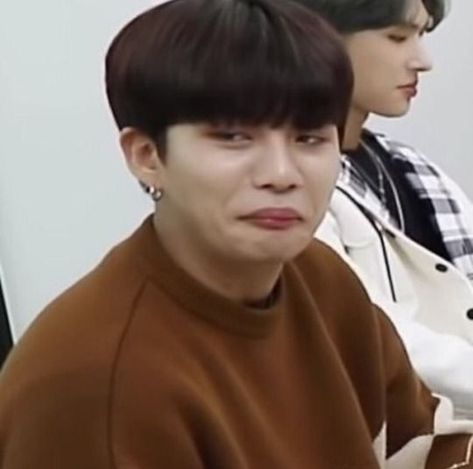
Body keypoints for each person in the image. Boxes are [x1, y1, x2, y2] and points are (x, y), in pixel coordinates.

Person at [0, 0, 472, 467]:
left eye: (309, 138)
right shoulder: (91, 382)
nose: (281, 174)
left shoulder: (321, 278)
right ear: (147, 156)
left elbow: (424, 445)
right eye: (234, 138)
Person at [292, 0, 473, 417]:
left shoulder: (412, 169)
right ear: (317, 36)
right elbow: (375, 333)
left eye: (421, 35)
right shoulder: (287, 183)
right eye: (397, 37)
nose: (423, 61)